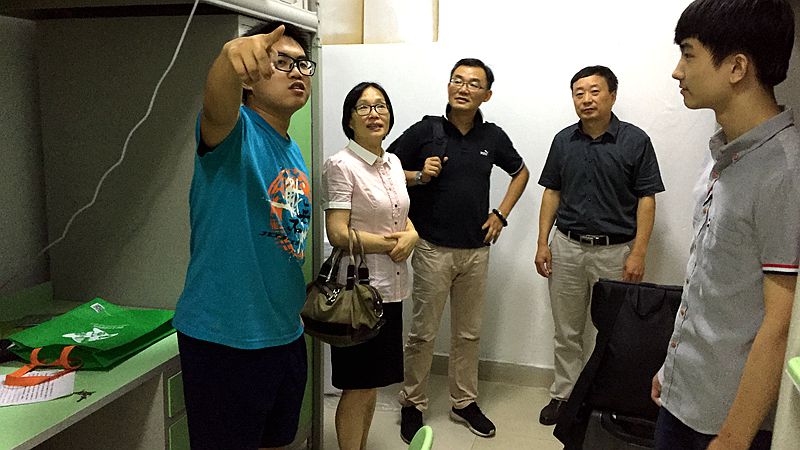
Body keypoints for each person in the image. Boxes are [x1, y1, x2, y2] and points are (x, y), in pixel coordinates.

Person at [651, 1, 799, 448]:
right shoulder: (723, 152)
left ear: (736, 67)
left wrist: (734, 437)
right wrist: (672, 368)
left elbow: (780, 323)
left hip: (727, 420)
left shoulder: (784, 172)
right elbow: (710, 283)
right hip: (683, 393)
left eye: (688, 53)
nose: (677, 71)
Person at [172, 21, 314, 450]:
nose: (296, 72)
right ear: (250, 79)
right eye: (282, 62)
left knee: (277, 442)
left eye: (303, 64)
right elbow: (217, 103)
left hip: (285, 333)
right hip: (226, 338)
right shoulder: (234, 131)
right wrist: (228, 59)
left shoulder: (291, 148)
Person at [389, 58, 530, 442]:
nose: (463, 88)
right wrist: (419, 175)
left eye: (473, 83)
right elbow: (385, 168)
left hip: (476, 252)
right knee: (422, 334)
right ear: (449, 86)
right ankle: (412, 403)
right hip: (432, 248)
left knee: (468, 334)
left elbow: (521, 172)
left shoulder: (493, 137)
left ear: (487, 94)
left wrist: (500, 214)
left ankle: (463, 402)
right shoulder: (426, 130)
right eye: (457, 80)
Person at [535, 65, 665, 426]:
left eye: (594, 91)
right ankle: (564, 396)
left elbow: (647, 199)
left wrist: (639, 252)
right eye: (579, 93)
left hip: (616, 251)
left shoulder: (635, 141)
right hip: (567, 247)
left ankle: (604, 399)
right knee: (567, 330)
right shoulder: (563, 141)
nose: (586, 99)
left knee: (615, 333)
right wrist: (542, 242)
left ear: (612, 95)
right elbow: (552, 192)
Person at [322, 82, 418, 450]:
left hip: (391, 290)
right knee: (357, 386)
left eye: (381, 106)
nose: (374, 113)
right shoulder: (341, 165)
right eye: (363, 107)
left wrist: (413, 234)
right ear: (349, 120)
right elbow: (337, 232)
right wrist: (392, 244)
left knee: (372, 382)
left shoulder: (392, 162)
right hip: (358, 294)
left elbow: (398, 213)